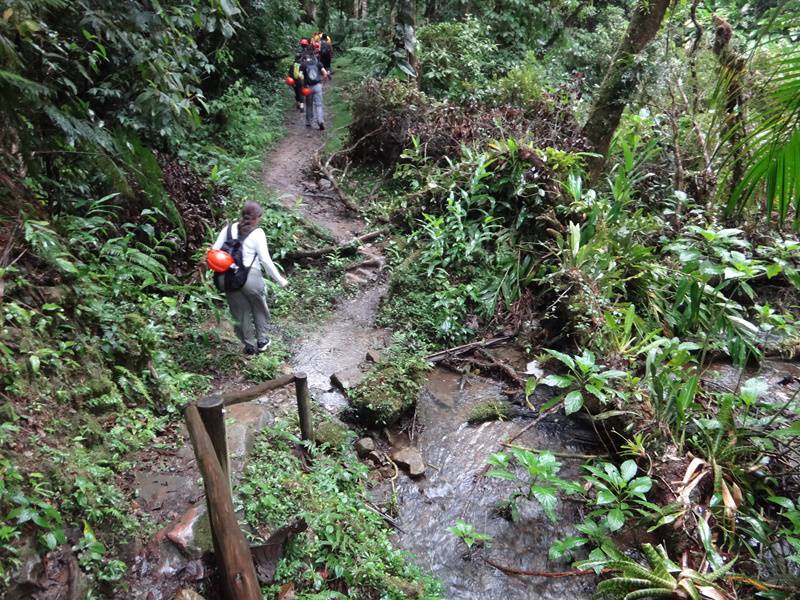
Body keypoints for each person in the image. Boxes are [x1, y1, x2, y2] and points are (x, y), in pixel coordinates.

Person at [212, 202, 288, 355]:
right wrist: (280, 280)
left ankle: (249, 346)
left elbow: (213, 251)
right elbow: (265, 260)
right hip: (250, 277)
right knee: (259, 306)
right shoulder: (258, 233)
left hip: (227, 278)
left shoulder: (227, 229)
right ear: (257, 218)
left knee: (240, 312)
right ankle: (262, 340)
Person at [300, 51, 328, 130]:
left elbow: (300, 76)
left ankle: (309, 123)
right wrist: (322, 83)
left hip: (308, 87)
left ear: (305, 58)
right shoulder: (318, 63)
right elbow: (325, 73)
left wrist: (303, 85)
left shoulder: (303, 65)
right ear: (313, 56)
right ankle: (320, 121)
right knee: (319, 105)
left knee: (309, 105)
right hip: (318, 86)